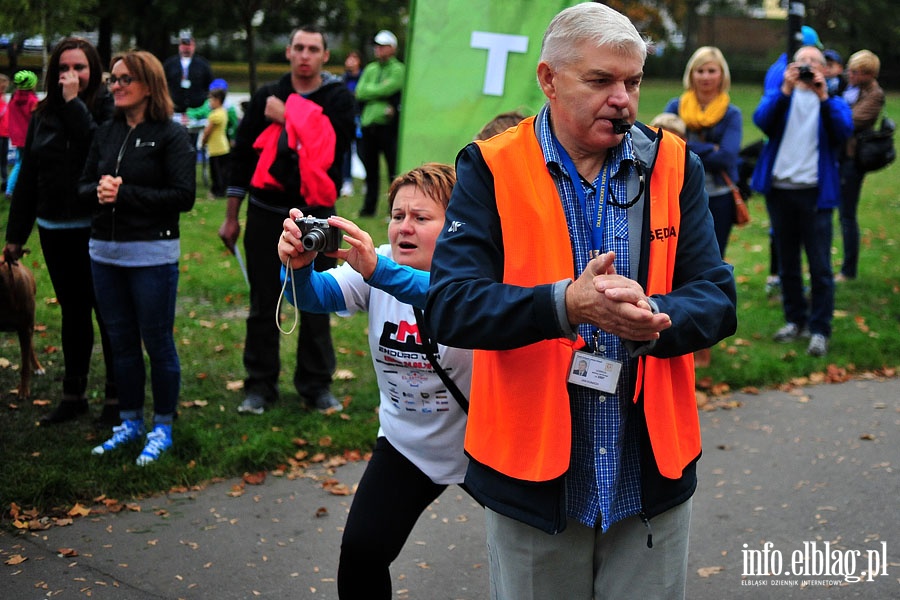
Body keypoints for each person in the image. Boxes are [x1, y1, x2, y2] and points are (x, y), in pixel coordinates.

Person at [425, 4, 737, 599]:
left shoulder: (674, 165)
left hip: (647, 479)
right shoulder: (490, 167)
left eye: (633, 82)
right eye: (600, 81)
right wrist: (566, 304)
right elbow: (452, 306)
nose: (622, 98)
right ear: (548, 79)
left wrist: (656, 322)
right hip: (535, 481)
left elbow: (718, 298)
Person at [277, 163, 471, 600]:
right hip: (409, 447)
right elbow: (316, 297)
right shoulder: (377, 262)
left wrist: (379, 272)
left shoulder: (477, 275)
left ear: (456, 227)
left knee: (530, 561)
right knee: (362, 553)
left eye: (421, 218)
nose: (405, 227)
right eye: (398, 215)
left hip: (485, 448)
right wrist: (297, 266)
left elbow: (444, 293)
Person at [219, 25, 355, 415]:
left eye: (314, 48)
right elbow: (242, 156)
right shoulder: (268, 95)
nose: (305, 55)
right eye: (299, 47)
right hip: (266, 213)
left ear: (325, 55)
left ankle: (316, 385)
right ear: (288, 52)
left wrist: (290, 114)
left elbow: (334, 147)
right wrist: (231, 216)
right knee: (264, 300)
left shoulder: (337, 100)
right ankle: (259, 385)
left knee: (317, 299)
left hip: (318, 214)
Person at [79, 50, 196, 465]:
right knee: (121, 343)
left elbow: (184, 197)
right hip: (104, 253)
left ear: (148, 85)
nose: (116, 86)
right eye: (113, 79)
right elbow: (82, 185)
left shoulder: (170, 135)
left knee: (157, 343)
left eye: (125, 79)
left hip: (152, 256)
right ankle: (129, 421)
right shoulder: (105, 131)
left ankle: (162, 425)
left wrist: (123, 193)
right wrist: (98, 191)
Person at [3, 37, 118, 425]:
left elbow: (99, 145)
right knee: (73, 312)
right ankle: (74, 394)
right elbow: (30, 174)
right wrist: (16, 234)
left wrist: (72, 104)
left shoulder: (109, 106)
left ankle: (116, 399)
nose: (72, 75)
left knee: (107, 311)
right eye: (64, 68)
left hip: (96, 227)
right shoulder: (42, 113)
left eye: (80, 67)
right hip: (55, 228)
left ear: (94, 71)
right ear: (54, 73)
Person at [751, 45, 853, 357]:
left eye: (814, 62)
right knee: (788, 263)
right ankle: (795, 320)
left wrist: (823, 96)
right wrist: (784, 88)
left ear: (825, 69)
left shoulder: (831, 102)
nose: (807, 66)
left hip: (815, 194)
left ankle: (819, 328)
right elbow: (762, 120)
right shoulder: (782, 95)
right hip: (781, 191)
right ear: (791, 67)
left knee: (820, 265)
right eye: (802, 61)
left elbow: (844, 129)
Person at [665, 46, 742, 259]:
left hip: (718, 194)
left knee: (714, 257)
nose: (705, 76)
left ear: (722, 75)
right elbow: (664, 147)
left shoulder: (731, 113)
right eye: (700, 71)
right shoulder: (675, 107)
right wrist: (710, 148)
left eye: (711, 70)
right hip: (680, 191)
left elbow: (726, 156)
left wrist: (685, 145)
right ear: (691, 74)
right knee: (678, 256)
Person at [836, 50, 884, 283]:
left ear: (868, 74)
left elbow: (849, 122)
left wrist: (831, 108)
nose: (849, 75)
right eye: (849, 70)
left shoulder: (875, 95)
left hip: (852, 161)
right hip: (838, 156)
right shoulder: (848, 86)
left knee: (847, 215)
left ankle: (848, 270)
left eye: (854, 72)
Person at [355, 30, 405, 216]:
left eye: (383, 46)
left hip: (388, 127)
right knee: (371, 170)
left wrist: (372, 92)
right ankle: (368, 209)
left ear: (392, 48)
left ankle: (394, 209)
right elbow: (360, 91)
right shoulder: (370, 69)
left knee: (393, 170)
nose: (379, 49)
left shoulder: (398, 68)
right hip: (369, 126)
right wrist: (379, 92)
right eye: (377, 45)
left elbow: (393, 86)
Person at [5, 70, 39, 196]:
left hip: (17, 136)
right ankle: (11, 189)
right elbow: (36, 119)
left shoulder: (14, 98)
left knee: (21, 162)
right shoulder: (32, 100)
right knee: (23, 163)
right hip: (29, 136)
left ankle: (14, 188)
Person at [163, 31, 213, 113]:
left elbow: (210, 84)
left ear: (194, 46)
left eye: (189, 45)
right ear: (179, 46)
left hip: (197, 109)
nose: (186, 48)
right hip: (175, 107)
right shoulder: (170, 63)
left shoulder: (203, 64)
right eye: (183, 45)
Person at [186, 78, 240, 143]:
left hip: (223, 138)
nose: (211, 100)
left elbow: (234, 124)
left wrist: (232, 137)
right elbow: (199, 112)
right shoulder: (208, 104)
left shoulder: (229, 108)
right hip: (209, 138)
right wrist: (188, 112)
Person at [340, 50, 362, 198]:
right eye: (348, 59)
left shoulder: (363, 77)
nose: (350, 62)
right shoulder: (343, 79)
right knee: (346, 152)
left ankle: (367, 180)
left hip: (360, 118)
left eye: (353, 59)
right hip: (348, 119)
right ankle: (347, 182)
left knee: (363, 151)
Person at [201, 87, 230, 198]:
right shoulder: (223, 112)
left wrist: (203, 141)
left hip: (216, 147)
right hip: (224, 146)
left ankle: (217, 192)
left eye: (211, 100)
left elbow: (207, 131)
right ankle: (222, 190)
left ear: (217, 100)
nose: (210, 103)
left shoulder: (215, 115)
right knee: (223, 172)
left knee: (216, 172)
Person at [0, 74, 10, 190]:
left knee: (4, 160)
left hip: (5, 133)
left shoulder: (3, 97)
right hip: (1, 133)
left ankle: (4, 182)